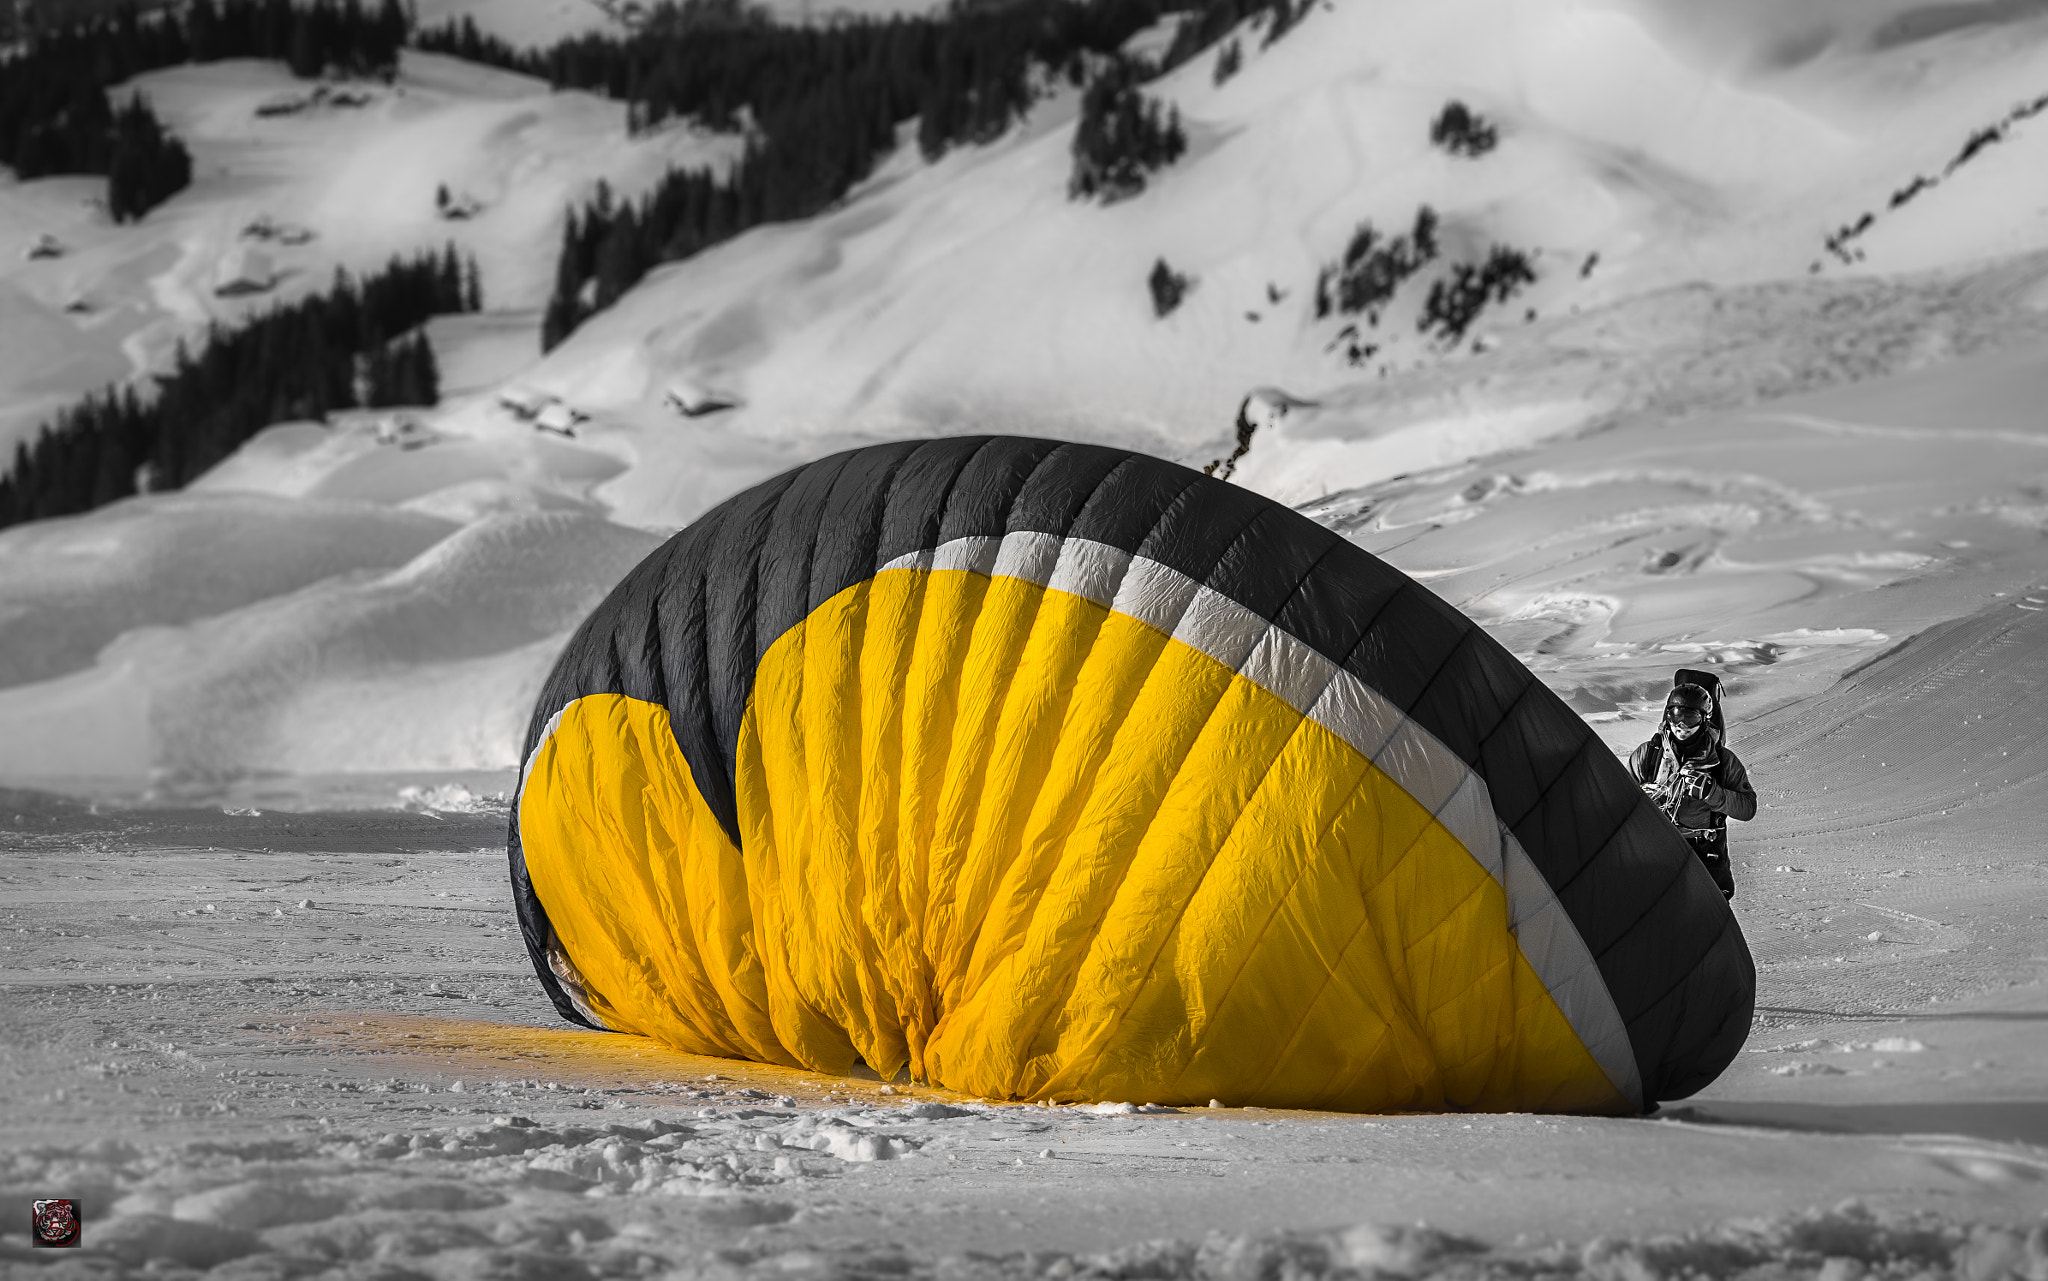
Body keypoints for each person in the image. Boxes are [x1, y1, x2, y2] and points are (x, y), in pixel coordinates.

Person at [1630, 683, 1756, 900]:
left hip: (1704, 854)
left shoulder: (1723, 761)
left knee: (1705, 922)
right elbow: (1620, 801)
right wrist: (1644, 798)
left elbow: (1747, 808)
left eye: (1690, 718)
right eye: (1675, 715)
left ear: (1704, 719)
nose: (1681, 725)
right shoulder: (1648, 755)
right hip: (1655, 851)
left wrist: (1712, 792)